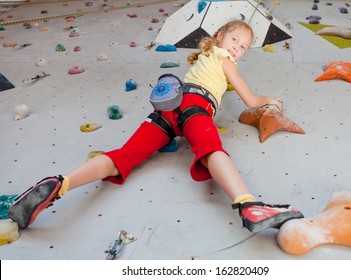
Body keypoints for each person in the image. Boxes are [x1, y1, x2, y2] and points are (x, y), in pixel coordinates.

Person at [9, 20, 303, 233]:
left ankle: (61, 184)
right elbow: (250, 99)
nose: (237, 49)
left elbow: (219, 84)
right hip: (195, 108)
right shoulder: (225, 60)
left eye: (243, 47)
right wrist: (272, 102)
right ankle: (248, 204)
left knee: (123, 156)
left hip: (167, 110)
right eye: (235, 40)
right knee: (212, 151)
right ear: (220, 36)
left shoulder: (206, 56)